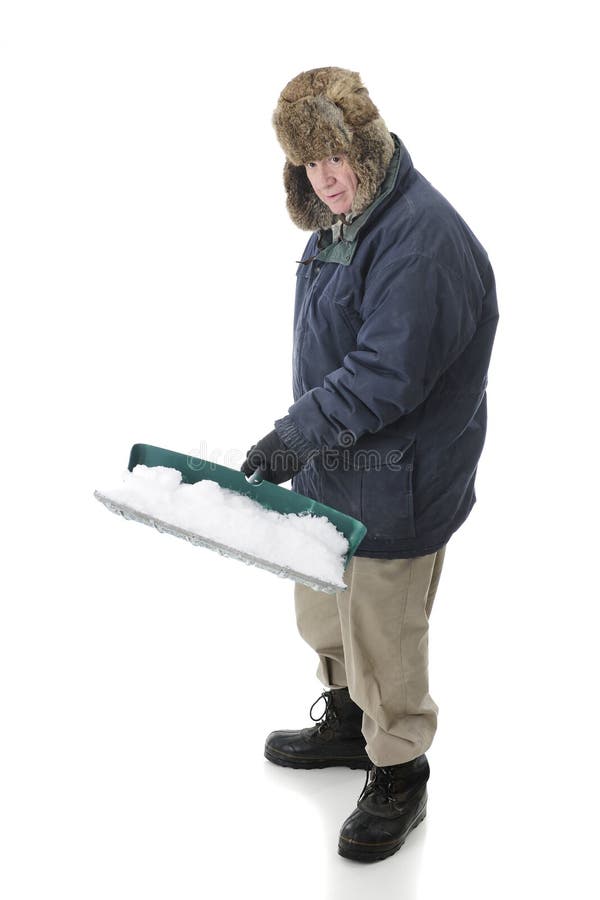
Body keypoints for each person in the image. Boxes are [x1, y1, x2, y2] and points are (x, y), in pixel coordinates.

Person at [241, 66, 499, 863]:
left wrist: (292, 438)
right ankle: (353, 723)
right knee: (325, 610)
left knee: (382, 632)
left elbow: (381, 376)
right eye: (308, 161)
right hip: (337, 459)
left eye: (336, 156)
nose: (324, 176)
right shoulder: (343, 220)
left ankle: (400, 769)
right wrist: (306, 443)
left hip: (399, 474)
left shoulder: (419, 243)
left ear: (367, 146)